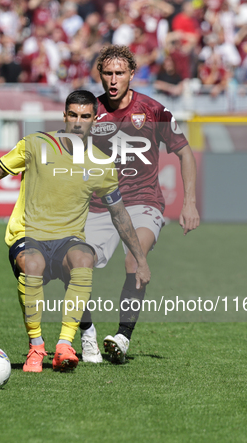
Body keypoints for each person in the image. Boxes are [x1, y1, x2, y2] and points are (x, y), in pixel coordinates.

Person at [0, 90, 151, 373]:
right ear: (64, 116)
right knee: (33, 264)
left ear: (95, 120)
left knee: (84, 258)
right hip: (28, 235)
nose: (77, 122)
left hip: (67, 240)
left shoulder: (101, 163)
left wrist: (140, 258)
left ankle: (64, 346)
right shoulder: (35, 144)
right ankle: (36, 347)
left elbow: (120, 214)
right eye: (72, 115)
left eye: (85, 116)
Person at [79, 45, 200, 364]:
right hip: (99, 205)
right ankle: (88, 336)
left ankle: (122, 337)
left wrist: (189, 203)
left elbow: (185, 152)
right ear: (100, 75)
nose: (113, 79)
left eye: (120, 73)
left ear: (132, 74)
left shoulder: (153, 110)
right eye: (107, 73)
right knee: (76, 265)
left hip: (142, 201)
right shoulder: (89, 111)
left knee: (135, 258)